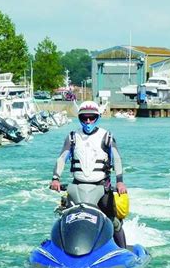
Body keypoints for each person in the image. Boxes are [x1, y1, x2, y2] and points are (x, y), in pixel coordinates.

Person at [50, 101, 128, 248]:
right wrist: (55, 179)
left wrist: (119, 181)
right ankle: (62, 248)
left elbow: (117, 159)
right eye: (84, 117)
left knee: (113, 220)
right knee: (66, 218)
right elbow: (62, 158)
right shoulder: (73, 137)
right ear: (79, 118)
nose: (88, 121)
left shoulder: (107, 136)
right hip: (77, 187)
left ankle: (124, 251)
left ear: (97, 117)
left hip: (101, 187)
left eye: (91, 117)